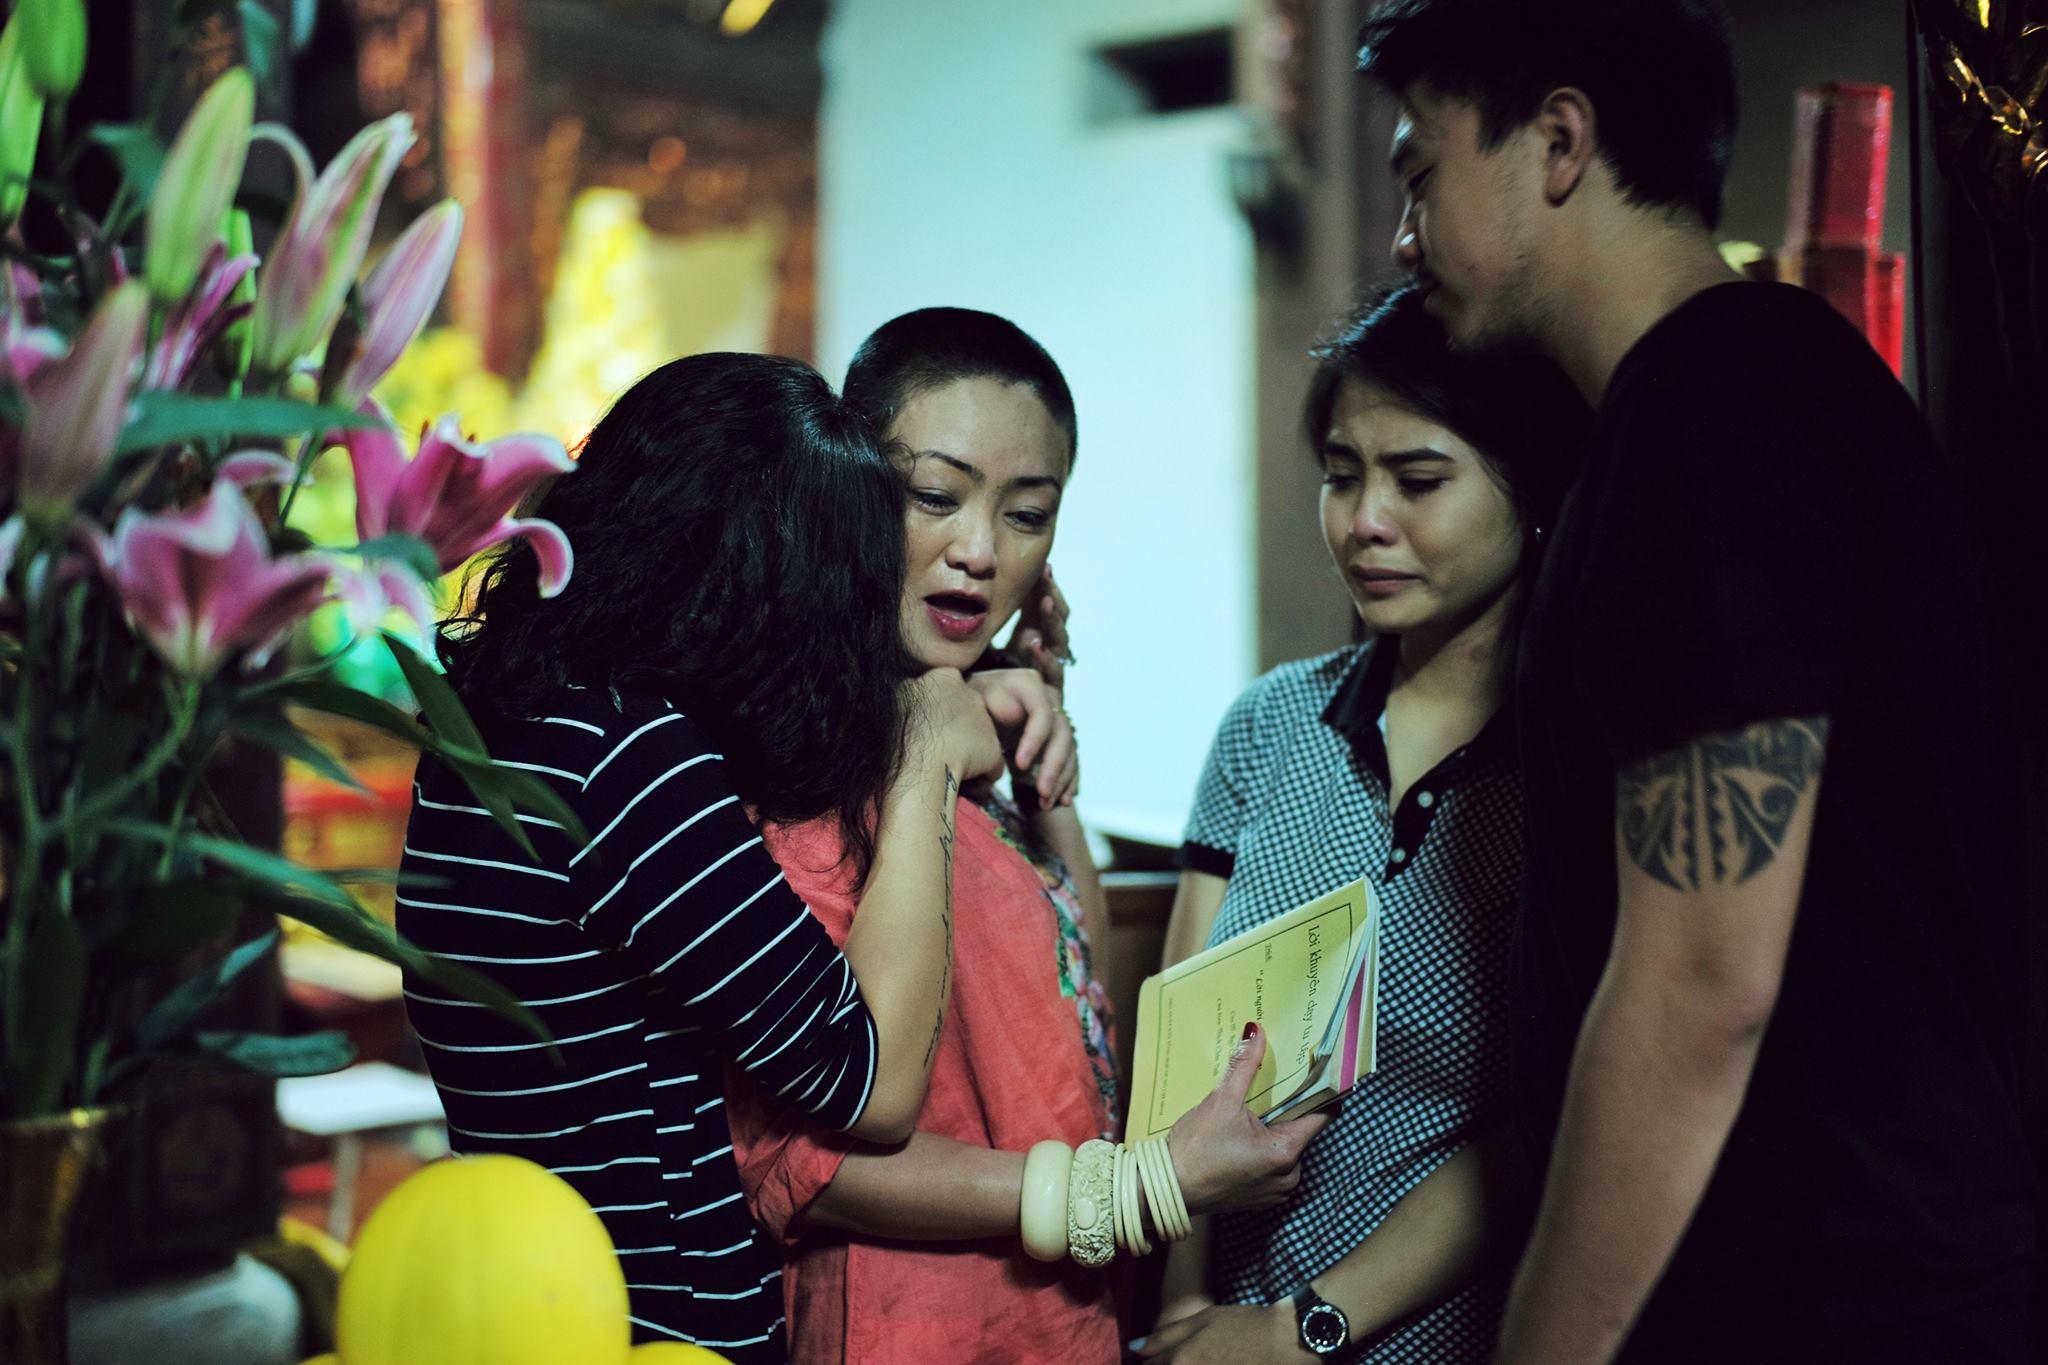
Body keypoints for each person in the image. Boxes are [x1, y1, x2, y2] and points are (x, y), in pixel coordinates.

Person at [1354, 2, 2038, 1361]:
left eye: (1420, 172)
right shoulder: (1724, 397)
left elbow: (1699, 984)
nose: (1403, 237)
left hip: (1842, 1300)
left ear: (1558, 141)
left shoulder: (1715, 409)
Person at [725, 309, 1328, 1363]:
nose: (977, 551)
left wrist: (1043, 743)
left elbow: (1071, 981)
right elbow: (802, 1165)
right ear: (847, 488)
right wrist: (1134, 1190)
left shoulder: (964, 726)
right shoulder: (808, 766)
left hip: (1056, 1321)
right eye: (934, 496)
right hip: (914, 1330)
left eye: (1026, 514)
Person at [398, 352, 1010, 1362]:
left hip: (517, 1306)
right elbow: (869, 1082)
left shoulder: (493, 722)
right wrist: (923, 761)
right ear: (765, 584)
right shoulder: (628, 757)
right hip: (656, 1324)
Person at [1132, 285, 1589, 1363]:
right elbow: (1179, 1062)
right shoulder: (1270, 727)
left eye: (1417, 481)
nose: (1365, 521)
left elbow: (1547, 1126)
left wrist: (1299, 1333)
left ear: (1529, 490)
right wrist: (1182, 1314)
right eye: (1341, 476)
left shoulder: (1571, 766)